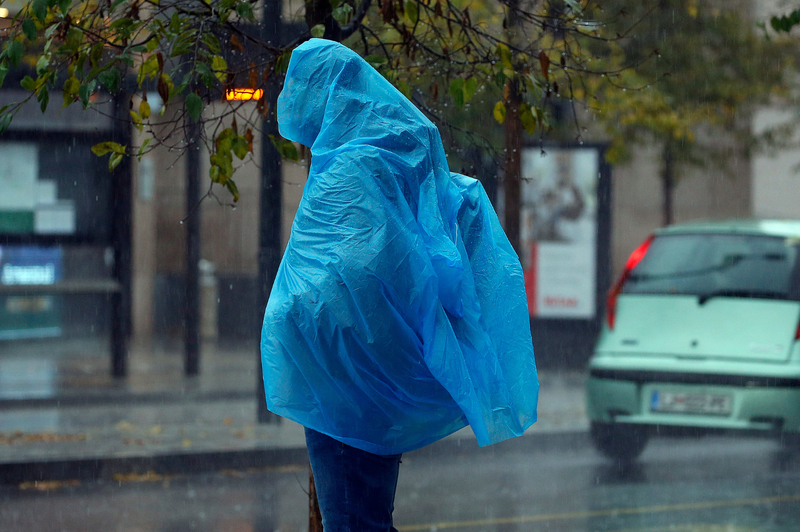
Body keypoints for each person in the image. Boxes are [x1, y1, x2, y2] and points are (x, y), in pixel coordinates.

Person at [261, 38, 538, 532]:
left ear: (324, 93)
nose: (291, 99)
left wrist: (291, 315)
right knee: (364, 511)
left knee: (351, 517)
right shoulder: (393, 153)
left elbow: (352, 271)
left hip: (345, 371)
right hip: (377, 368)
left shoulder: (351, 166)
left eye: (299, 87)